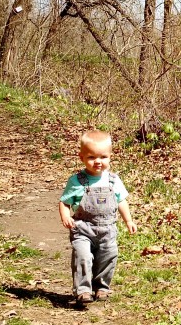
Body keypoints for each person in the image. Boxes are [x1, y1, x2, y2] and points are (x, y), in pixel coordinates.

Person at [58, 130, 137, 305]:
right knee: (83, 256)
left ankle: (101, 287)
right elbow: (64, 202)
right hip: (83, 228)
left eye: (103, 157)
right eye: (92, 157)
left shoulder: (113, 180)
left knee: (108, 256)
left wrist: (128, 220)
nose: (98, 162)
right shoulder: (76, 181)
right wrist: (65, 216)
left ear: (110, 157)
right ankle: (83, 290)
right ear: (82, 157)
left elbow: (121, 201)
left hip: (108, 229)